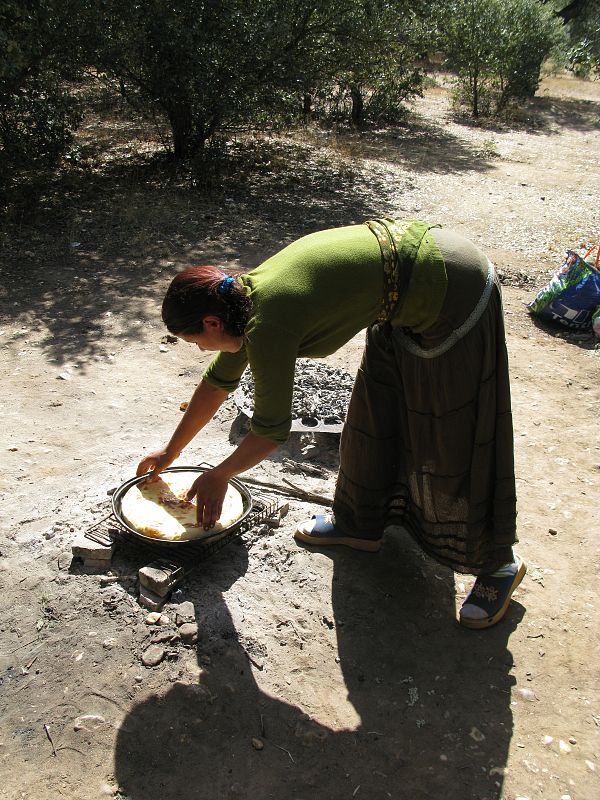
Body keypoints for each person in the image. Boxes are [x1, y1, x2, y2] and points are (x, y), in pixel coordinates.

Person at [137, 218, 526, 629]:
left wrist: (221, 474)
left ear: (212, 322)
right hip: (398, 293)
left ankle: (499, 562)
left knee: (456, 430)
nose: (198, 348)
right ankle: (361, 524)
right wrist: (172, 450)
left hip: (452, 285)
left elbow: (270, 431)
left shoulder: (266, 322)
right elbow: (217, 383)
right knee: (376, 414)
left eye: (194, 340)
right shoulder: (240, 303)